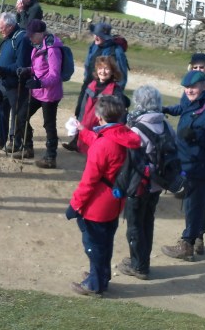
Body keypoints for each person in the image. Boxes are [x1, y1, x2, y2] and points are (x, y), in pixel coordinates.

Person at [66, 95, 141, 297]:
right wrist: (83, 132)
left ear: (99, 117)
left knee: (93, 244)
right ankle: (100, 275)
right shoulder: (124, 135)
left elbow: (89, 180)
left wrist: (74, 205)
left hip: (97, 205)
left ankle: (94, 284)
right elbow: (104, 140)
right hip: (115, 202)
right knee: (106, 241)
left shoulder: (103, 145)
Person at [160, 70, 205, 261]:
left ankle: (187, 244)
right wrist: (166, 110)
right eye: (186, 87)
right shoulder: (192, 102)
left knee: (192, 204)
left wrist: (197, 136)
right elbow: (183, 110)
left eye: (193, 87)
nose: (189, 90)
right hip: (189, 162)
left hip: (200, 164)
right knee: (197, 202)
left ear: (204, 86)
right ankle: (198, 238)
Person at [118, 85, 174, 280]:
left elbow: (128, 159)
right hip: (157, 184)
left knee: (134, 225)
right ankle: (143, 260)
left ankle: (139, 266)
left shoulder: (136, 128)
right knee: (147, 222)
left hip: (139, 184)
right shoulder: (165, 124)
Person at [14, 19, 63, 169]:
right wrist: (28, 70)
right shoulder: (37, 46)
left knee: (49, 124)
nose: (29, 38)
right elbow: (38, 69)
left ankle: (50, 157)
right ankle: (28, 147)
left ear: (41, 33)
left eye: (32, 35)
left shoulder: (52, 49)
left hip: (50, 94)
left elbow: (55, 75)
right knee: (21, 116)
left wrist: (39, 83)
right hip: (37, 91)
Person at [0, 12, 31, 152]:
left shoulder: (21, 38)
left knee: (17, 114)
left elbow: (21, 65)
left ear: (10, 26)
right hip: (4, 82)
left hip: (16, 84)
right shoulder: (8, 38)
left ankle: (15, 143)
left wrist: (1, 69)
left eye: (1, 27)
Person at [62, 55, 127, 154]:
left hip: (102, 132)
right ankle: (76, 143)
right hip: (87, 128)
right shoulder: (91, 86)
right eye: (100, 68)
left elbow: (120, 115)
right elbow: (83, 108)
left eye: (107, 68)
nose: (103, 72)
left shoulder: (115, 91)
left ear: (113, 71)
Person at [75, 22, 128, 118]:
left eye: (99, 35)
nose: (96, 37)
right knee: (80, 114)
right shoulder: (94, 45)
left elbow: (122, 76)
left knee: (99, 118)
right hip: (89, 86)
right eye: (95, 34)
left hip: (105, 91)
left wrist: (115, 94)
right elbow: (88, 64)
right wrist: (86, 80)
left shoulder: (116, 51)